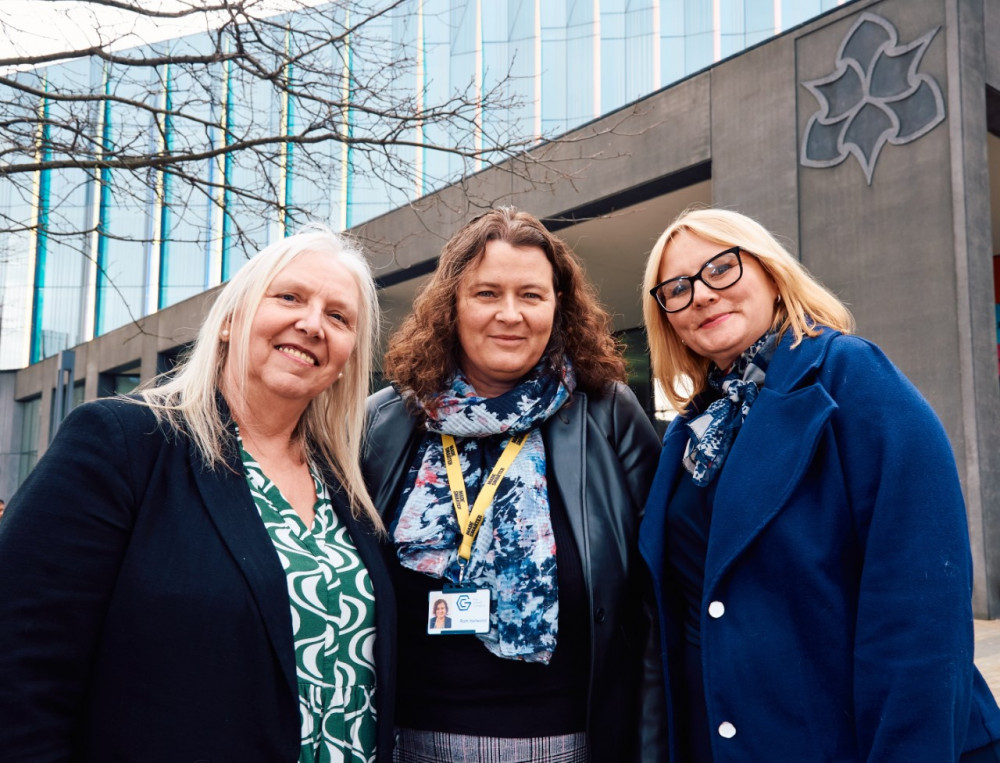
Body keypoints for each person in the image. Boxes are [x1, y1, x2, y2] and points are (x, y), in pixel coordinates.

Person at [0, 228, 396, 762]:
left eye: (339, 317)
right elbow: (19, 665)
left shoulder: (351, 484)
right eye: (290, 297)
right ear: (231, 320)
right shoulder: (124, 443)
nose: (311, 323)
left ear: (348, 357)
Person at [639, 207, 1000, 762]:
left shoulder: (853, 378)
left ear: (771, 274)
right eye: (678, 289)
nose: (703, 296)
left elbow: (919, 612)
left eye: (721, 269)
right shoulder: (695, 427)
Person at [362, 207, 663, 763]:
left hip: (572, 744)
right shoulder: (383, 422)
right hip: (408, 744)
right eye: (486, 294)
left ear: (559, 307)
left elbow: (656, 598)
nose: (510, 314)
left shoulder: (608, 413)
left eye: (531, 295)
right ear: (452, 304)